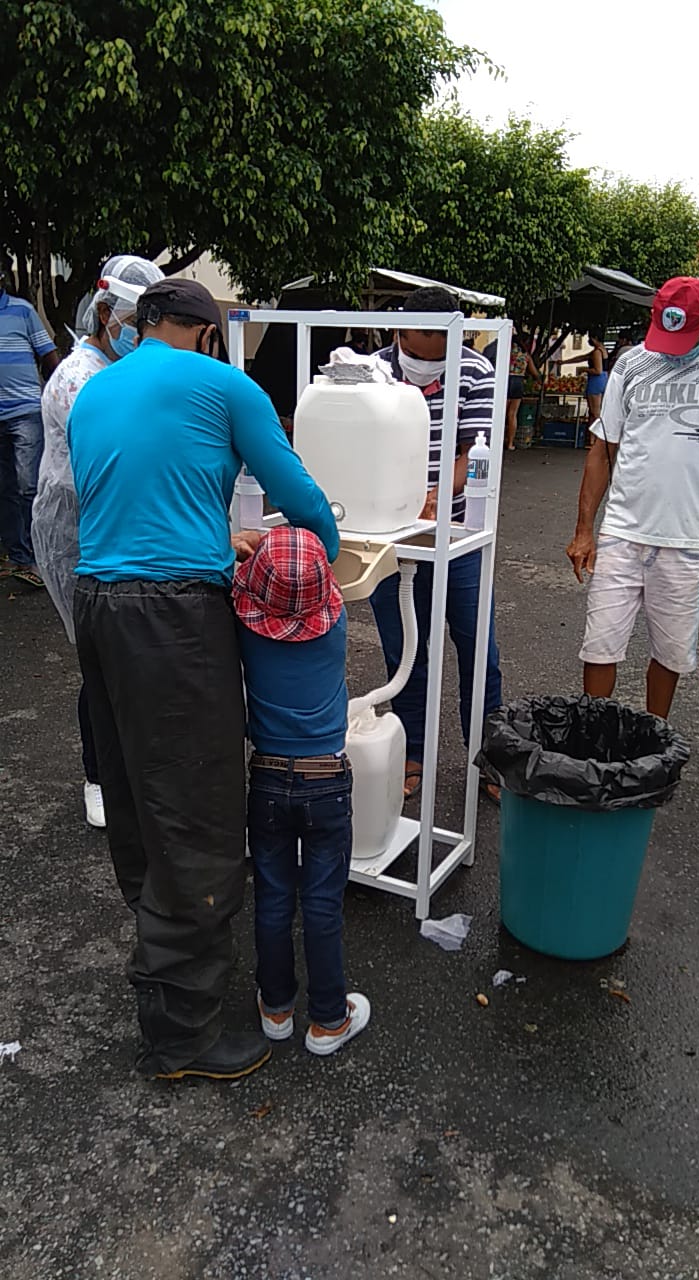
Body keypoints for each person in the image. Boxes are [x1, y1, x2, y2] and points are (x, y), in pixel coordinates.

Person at [67, 278, 339, 1082]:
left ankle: (163, 966)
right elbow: (298, 495)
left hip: (98, 604)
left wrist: (222, 540)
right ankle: (181, 1037)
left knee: (137, 799)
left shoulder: (95, 389)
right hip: (174, 619)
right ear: (208, 332)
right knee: (195, 807)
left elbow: (134, 495)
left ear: (142, 325)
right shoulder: (227, 384)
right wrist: (322, 555)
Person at [33, 254, 165, 829]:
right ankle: (98, 777)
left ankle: (127, 769)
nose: (140, 334)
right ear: (106, 313)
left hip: (111, 521)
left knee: (123, 657)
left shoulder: (113, 370)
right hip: (76, 526)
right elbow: (112, 460)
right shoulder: (77, 379)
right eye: (134, 322)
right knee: (100, 660)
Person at [234, 526, 370, 1057]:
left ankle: (276, 1008)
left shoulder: (243, 627)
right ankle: (329, 1019)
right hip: (326, 781)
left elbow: (238, 586)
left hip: (267, 777)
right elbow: (325, 579)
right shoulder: (335, 622)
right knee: (322, 902)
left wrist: (238, 546)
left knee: (271, 895)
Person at [566, 276, 699, 719]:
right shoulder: (632, 364)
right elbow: (602, 448)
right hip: (622, 532)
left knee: (670, 654)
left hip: (687, 539)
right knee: (599, 644)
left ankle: (654, 738)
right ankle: (596, 735)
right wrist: (584, 530)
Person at [371, 286, 503, 801]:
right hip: (390, 537)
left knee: (478, 650)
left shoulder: (476, 371)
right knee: (405, 651)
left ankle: (490, 758)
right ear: (400, 332)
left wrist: (434, 496)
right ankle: (412, 753)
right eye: (417, 351)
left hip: (458, 534)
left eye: (439, 355)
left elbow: (473, 450)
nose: (427, 366)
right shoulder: (373, 371)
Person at [0, 268, 59, 587]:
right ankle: (19, 556)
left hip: (25, 411)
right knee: (5, 488)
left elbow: (48, 355)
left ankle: (39, 555)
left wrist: (57, 393)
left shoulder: (22, 311)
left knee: (28, 484)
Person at [485, 329, 540, 451]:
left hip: (505, 381)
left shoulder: (506, 352)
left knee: (500, 414)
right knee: (512, 414)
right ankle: (510, 443)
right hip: (518, 382)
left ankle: (496, 441)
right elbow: (535, 373)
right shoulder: (525, 355)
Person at [562, 330, 608, 427]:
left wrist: (583, 369)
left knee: (595, 412)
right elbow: (582, 358)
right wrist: (564, 362)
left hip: (596, 382)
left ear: (595, 338)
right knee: (595, 412)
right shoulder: (602, 350)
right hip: (603, 380)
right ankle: (592, 434)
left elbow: (598, 370)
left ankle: (597, 434)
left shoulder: (596, 352)